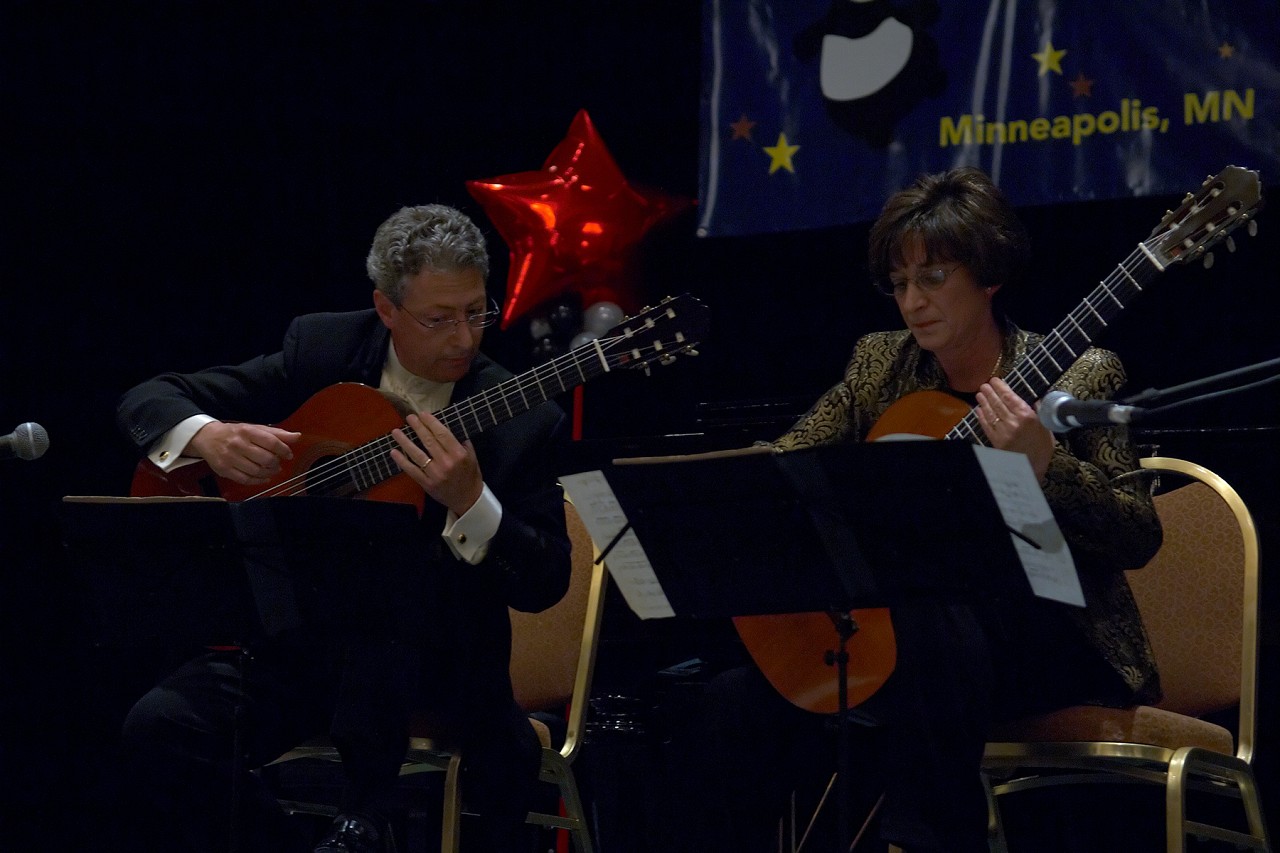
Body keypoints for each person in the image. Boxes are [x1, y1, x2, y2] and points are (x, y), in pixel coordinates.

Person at [696, 167, 1162, 852]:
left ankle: (925, 840)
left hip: (1059, 640)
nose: (912, 302)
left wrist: (1046, 465)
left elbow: (1138, 533)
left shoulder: (1080, 372)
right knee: (729, 700)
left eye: (933, 278)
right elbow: (790, 460)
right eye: (899, 283)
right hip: (923, 651)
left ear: (989, 273)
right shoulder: (881, 365)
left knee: (930, 616)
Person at [115, 204, 571, 853]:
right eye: (439, 319)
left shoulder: (522, 418)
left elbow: (546, 579)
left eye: (477, 311)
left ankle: (369, 819)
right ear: (386, 308)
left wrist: (472, 501)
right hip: (304, 654)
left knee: (386, 612)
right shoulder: (323, 349)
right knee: (158, 725)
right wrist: (208, 436)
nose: (465, 338)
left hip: (436, 667)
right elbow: (150, 396)